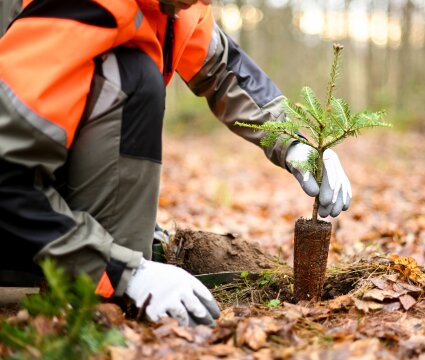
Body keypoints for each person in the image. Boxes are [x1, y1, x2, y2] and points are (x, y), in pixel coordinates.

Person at [0, 0, 352, 327]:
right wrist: (126, 272)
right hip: (20, 217)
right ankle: (87, 277)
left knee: (138, 75)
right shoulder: (82, 8)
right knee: (133, 75)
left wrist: (294, 145)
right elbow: (7, 183)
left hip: (37, 203)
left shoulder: (178, 8)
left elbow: (227, 71)